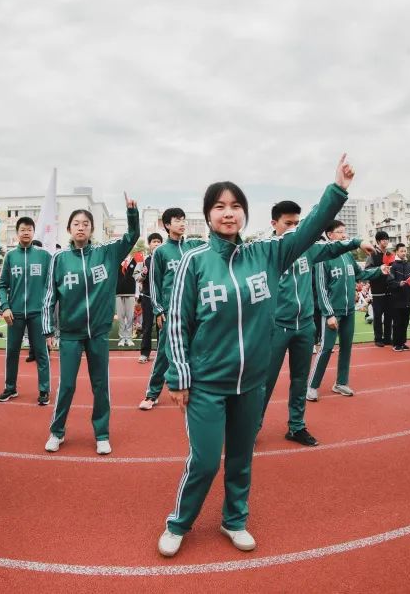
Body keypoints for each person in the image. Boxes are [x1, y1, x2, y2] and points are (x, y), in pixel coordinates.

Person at [157, 154, 354, 558]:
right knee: (207, 460)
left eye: (235, 206)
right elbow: (176, 322)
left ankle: (234, 520)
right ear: (208, 216)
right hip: (207, 385)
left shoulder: (267, 254)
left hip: (251, 382)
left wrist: (337, 190)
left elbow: (312, 228)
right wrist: (178, 377)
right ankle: (179, 522)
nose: (228, 213)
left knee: (242, 460)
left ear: (244, 213)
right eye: (219, 206)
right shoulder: (194, 262)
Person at [260, 201, 364, 446]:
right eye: (289, 224)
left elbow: (333, 248)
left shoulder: (308, 249)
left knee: (300, 380)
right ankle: (252, 427)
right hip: (276, 327)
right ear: (274, 224)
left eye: (298, 223)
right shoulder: (266, 252)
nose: (295, 229)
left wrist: (357, 242)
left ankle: (296, 426)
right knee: (265, 382)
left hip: (305, 326)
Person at [42, 196, 140, 454]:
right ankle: (57, 431)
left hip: (97, 331)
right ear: (69, 229)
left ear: (92, 229)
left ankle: (102, 434)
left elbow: (132, 237)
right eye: (76, 223)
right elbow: (50, 295)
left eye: (86, 223)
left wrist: (132, 213)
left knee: (100, 384)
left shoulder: (106, 252)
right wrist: (47, 329)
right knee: (67, 385)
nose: (81, 227)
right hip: (71, 333)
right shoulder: (59, 259)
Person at [309, 220, 388, 400]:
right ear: (330, 235)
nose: (344, 235)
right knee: (326, 349)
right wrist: (328, 314)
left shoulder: (347, 256)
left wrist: (379, 270)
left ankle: (341, 383)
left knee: (346, 348)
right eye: (340, 232)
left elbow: (360, 275)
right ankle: (312, 385)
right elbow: (321, 288)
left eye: (345, 232)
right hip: (332, 312)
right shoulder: (323, 256)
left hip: (349, 311)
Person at [139, 210, 205, 409]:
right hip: (171, 311)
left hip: (195, 310)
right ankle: (152, 394)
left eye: (183, 220)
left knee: (197, 350)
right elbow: (154, 283)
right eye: (177, 220)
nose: (182, 223)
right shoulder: (160, 252)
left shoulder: (192, 247)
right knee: (164, 354)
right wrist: (159, 310)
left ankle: (195, 389)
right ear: (167, 225)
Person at [0, 217, 53, 404]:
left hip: (38, 312)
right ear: (17, 233)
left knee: (41, 352)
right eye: (22, 229)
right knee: (12, 351)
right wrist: (5, 307)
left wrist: (47, 306)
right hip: (15, 313)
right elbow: (1, 286)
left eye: (29, 229)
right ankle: (10, 388)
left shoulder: (45, 257)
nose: (26, 232)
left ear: (33, 232)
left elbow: (52, 283)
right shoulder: (11, 257)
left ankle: (44, 390)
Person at [137, 232, 163, 365]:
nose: (156, 244)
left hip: (162, 298)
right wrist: (143, 274)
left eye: (159, 241)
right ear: (149, 244)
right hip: (147, 296)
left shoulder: (165, 258)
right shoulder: (144, 260)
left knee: (161, 326)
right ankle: (144, 353)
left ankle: (160, 353)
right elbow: (137, 278)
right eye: (154, 242)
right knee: (147, 325)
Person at [364, 231, 393, 346]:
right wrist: (380, 269)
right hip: (377, 290)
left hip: (389, 289)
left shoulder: (390, 254)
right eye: (383, 239)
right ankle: (378, 338)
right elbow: (367, 270)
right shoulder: (372, 254)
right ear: (378, 241)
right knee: (377, 316)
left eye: (387, 239)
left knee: (389, 316)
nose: (385, 241)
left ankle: (387, 337)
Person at [389, 243, 410, 351]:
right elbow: (390, 282)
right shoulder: (393, 266)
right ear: (396, 252)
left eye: (405, 251)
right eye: (401, 251)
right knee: (397, 323)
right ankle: (396, 343)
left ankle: (402, 342)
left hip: (407, 298)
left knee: (405, 322)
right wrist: (398, 284)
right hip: (396, 299)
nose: (404, 253)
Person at [115, 251, 140, 347]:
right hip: (119, 292)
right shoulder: (116, 262)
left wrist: (137, 293)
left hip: (131, 292)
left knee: (130, 317)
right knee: (121, 317)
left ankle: (129, 338)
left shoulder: (134, 261)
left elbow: (137, 278)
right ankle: (121, 338)